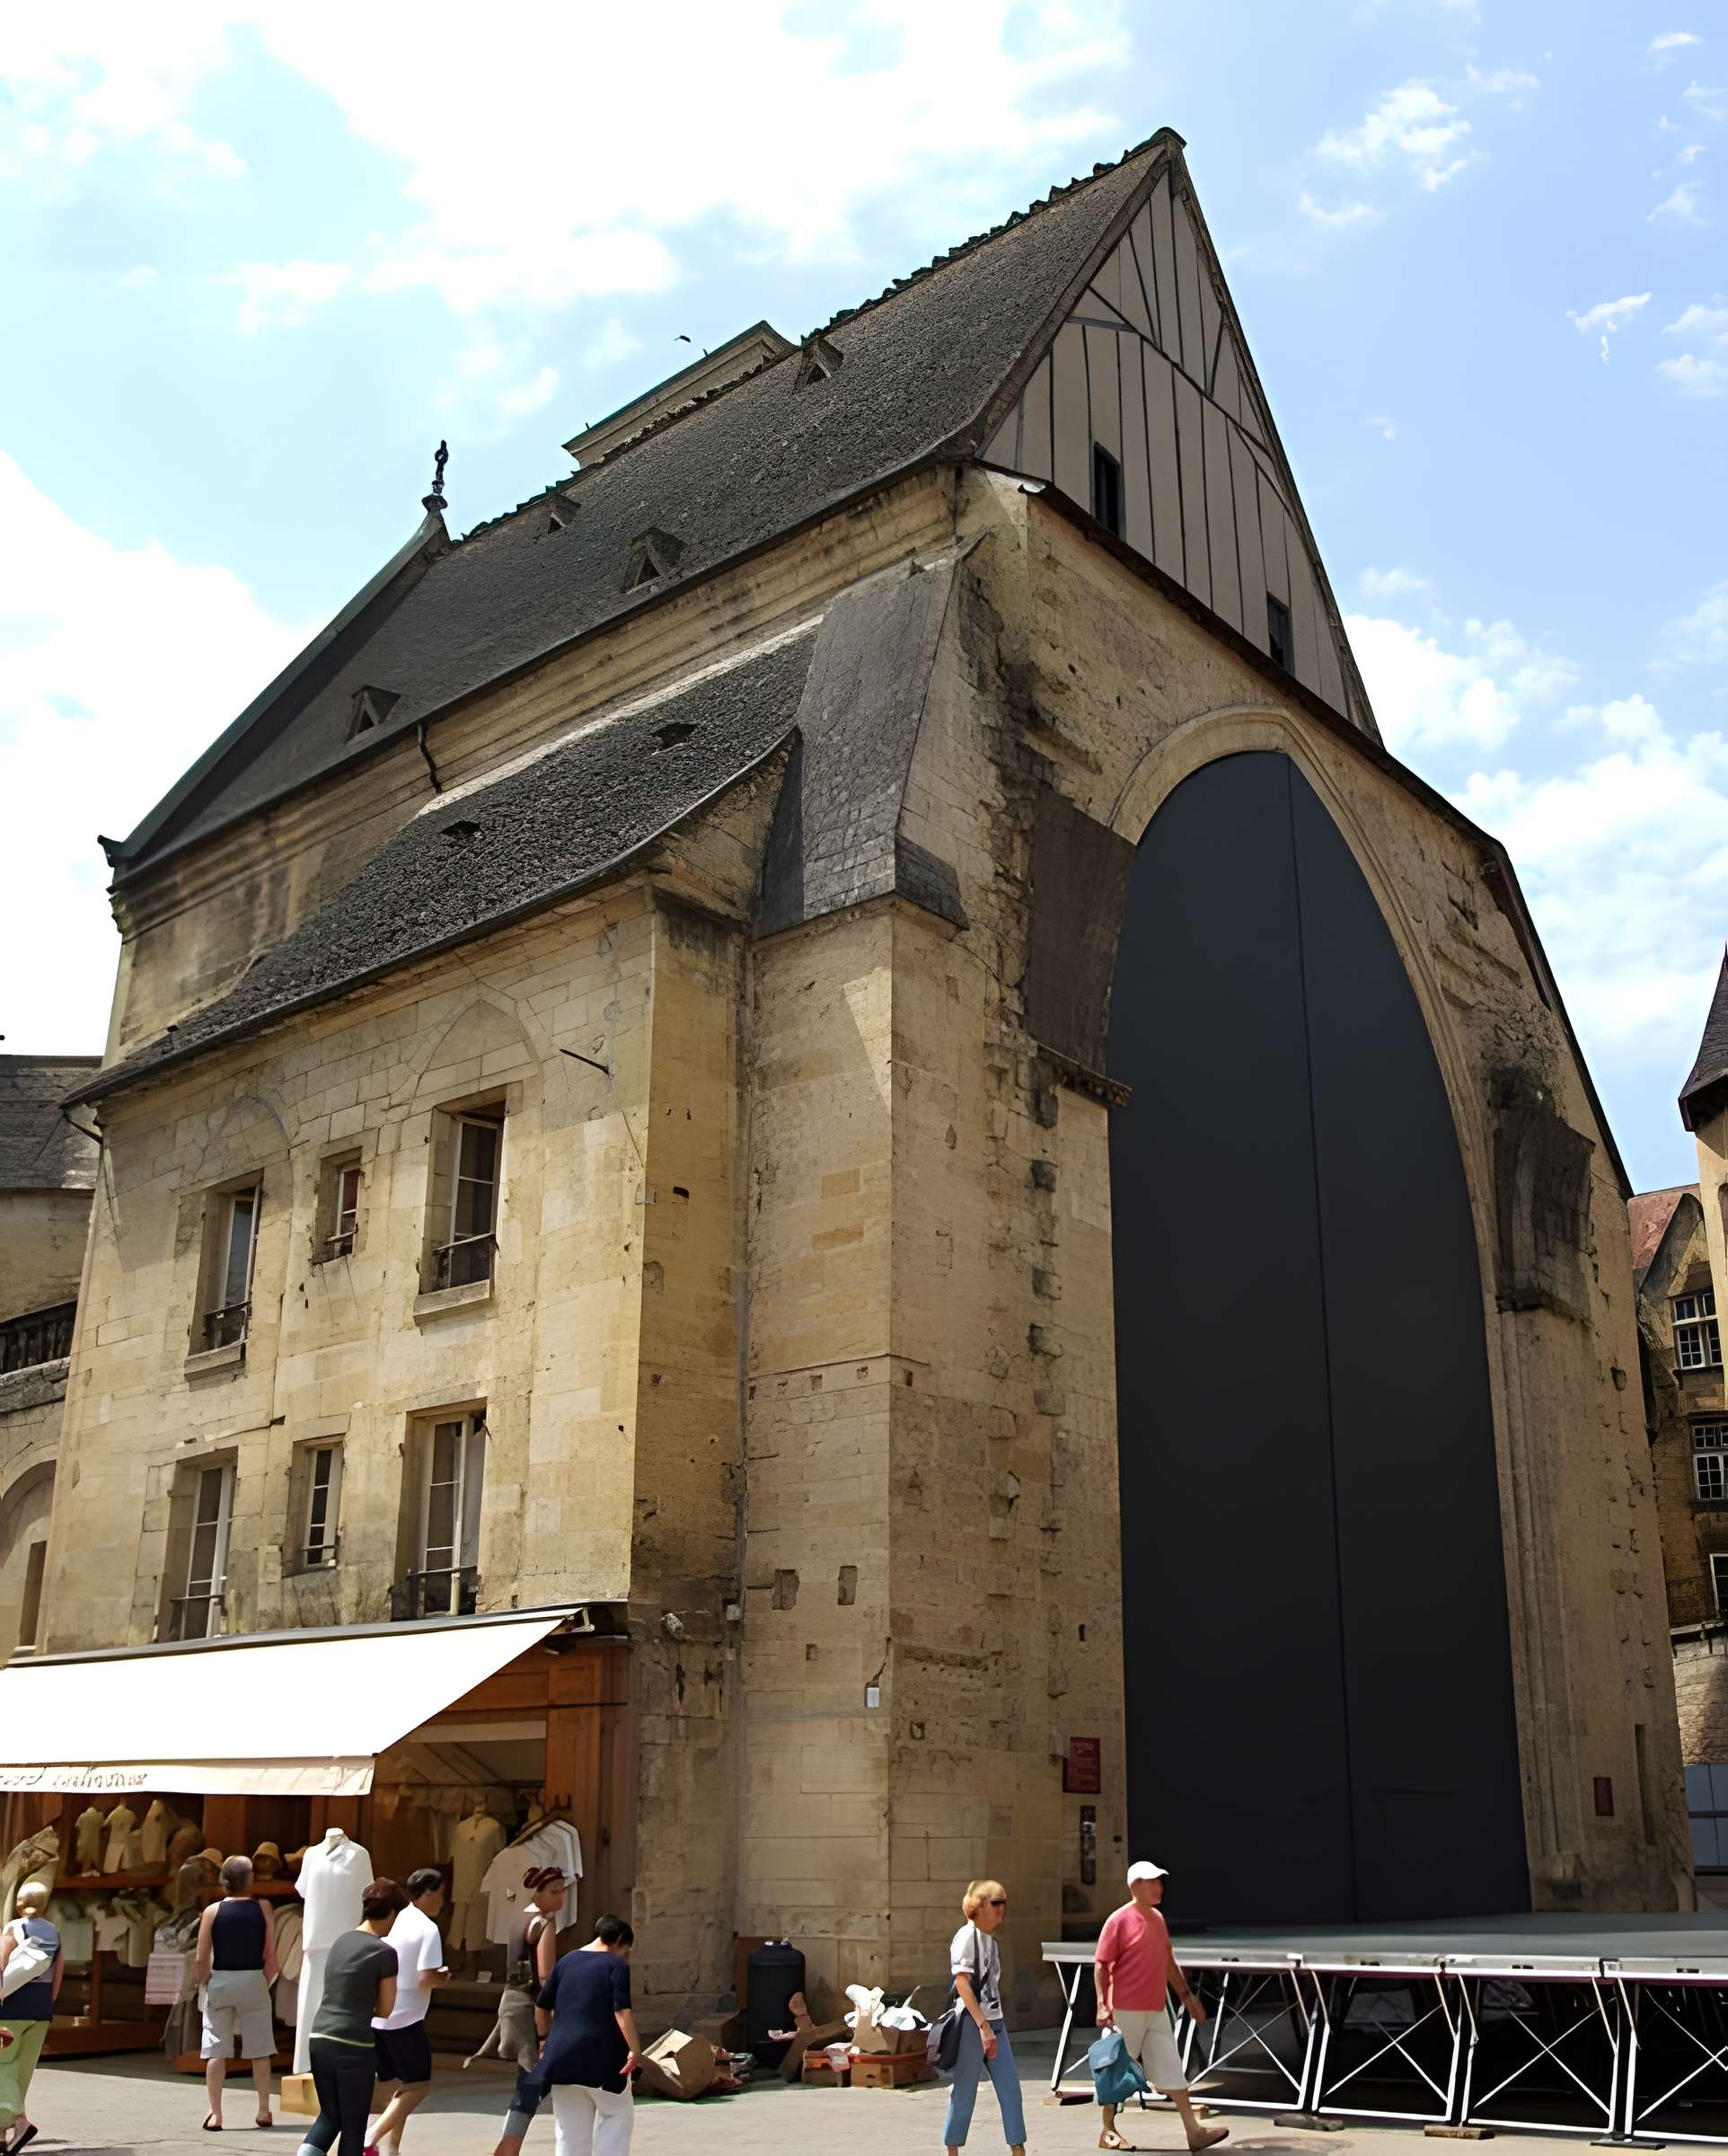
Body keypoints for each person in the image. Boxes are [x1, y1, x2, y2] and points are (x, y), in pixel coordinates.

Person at [1094, 1860, 1225, 2155]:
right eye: (1152, 1881)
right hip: (1124, 2009)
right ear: (1135, 1886)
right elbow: (1101, 1964)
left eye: (1159, 1881)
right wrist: (1102, 2005)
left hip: (1155, 2008)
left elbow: (1167, 1961)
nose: (1159, 1887)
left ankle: (1194, 2132)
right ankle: (1108, 2130)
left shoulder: (1157, 1919)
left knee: (1172, 2069)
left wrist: (1187, 1998)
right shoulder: (1118, 1920)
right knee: (1115, 2070)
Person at [293, 1879, 401, 2156]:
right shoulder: (384, 1953)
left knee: (330, 2116)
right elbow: (386, 2009)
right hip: (353, 2044)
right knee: (353, 2126)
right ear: (391, 1913)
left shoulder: (341, 1942)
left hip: (320, 2036)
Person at [527, 1914, 639, 2156]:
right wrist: (634, 2049)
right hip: (604, 2060)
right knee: (616, 2117)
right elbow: (621, 2012)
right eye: (625, 1951)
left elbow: (541, 2006)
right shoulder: (615, 1965)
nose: (623, 1956)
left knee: (570, 2132)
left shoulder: (566, 1961)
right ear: (619, 1940)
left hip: (561, 2060)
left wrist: (543, 2039)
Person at [483, 1867, 570, 2156]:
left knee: (533, 2078)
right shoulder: (544, 1924)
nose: (560, 1898)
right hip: (530, 2006)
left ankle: (509, 2144)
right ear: (537, 1892)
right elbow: (546, 1976)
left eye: (562, 1891)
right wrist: (551, 2019)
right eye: (554, 1892)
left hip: (513, 2002)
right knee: (534, 2079)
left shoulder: (519, 1918)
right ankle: (508, 2147)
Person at [369, 1869, 450, 2156]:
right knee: (418, 2085)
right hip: (406, 2018)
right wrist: (444, 1976)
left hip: (380, 2015)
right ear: (427, 1893)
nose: (443, 1902)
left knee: (398, 2087)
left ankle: (391, 2148)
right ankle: (371, 2137)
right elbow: (426, 1978)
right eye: (440, 1895)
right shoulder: (427, 1929)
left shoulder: (397, 1919)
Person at [197, 1854, 280, 2130]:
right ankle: (264, 2110)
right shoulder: (263, 1908)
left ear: (224, 1882)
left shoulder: (212, 1912)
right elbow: (270, 1956)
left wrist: (204, 1982)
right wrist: (264, 1981)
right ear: (250, 1880)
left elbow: (201, 1958)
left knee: (216, 2049)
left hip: (221, 1980)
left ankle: (216, 2114)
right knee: (260, 2049)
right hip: (253, 1979)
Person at [944, 1879, 1027, 2156]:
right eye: (995, 1903)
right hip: (972, 2023)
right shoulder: (966, 1937)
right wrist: (982, 2025)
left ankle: (1018, 2148)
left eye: (1004, 1903)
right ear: (978, 1906)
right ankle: (953, 2149)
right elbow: (962, 1982)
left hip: (995, 2021)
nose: (1001, 1909)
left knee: (1010, 2088)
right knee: (965, 2090)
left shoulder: (990, 1940)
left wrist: (992, 2024)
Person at [0, 1881, 62, 2155]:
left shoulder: (14, 1927)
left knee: (3, 2066)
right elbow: (58, 1975)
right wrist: (47, 2007)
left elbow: (2, 1958)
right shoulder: (54, 1932)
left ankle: (19, 2121)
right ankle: (1, 2133)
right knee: (22, 2071)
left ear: (18, 1904)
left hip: (10, 2010)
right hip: (40, 2010)